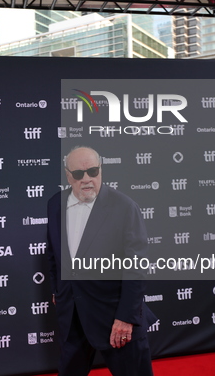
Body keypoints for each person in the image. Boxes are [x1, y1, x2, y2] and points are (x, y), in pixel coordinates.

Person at [46, 146, 155, 376]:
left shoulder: (124, 207)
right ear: (68, 175)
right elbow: (54, 253)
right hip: (73, 316)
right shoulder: (55, 204)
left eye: (93, 171)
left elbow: (136, 268)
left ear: (101, 170)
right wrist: (58, 289)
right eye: (78, 174)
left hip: (115, 319)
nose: (86, 179)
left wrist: (126, 317)